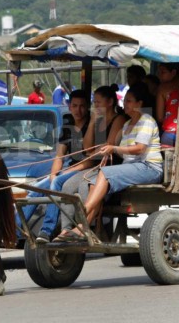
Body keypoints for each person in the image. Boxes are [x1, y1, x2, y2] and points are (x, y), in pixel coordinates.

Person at [62, 85, 163, 240]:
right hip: (131, 167)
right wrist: (107, 147)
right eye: (125, 100)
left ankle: (85, 211)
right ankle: (84, 228)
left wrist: (113, 148)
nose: (125, 104)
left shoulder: (146, 121)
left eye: (129, 101)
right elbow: (107, 145)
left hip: (148, 167)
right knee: (92, 182)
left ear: (139, 103)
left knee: (104, 173)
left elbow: (140, 149)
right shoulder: (126, 125)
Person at [54, 85, 127, 241]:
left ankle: (84, 227)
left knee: (83, 185)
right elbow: (88, 147)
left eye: (98, 102)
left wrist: (86, 160)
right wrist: (93, 121)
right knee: (67, 186)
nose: (95, 105)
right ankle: (66, 229)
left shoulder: (118, 119)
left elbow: (107, 147)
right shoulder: (98, 120)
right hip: (94, 164)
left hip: (109, 165)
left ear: (109, 102)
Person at [18, 90, 91, 243]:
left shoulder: (92, 126)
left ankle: (46, 231)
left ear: (88, 107)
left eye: (82, 106)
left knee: (57, 183)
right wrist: (53, 174)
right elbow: (59, 156)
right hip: (69, 168)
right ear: (69, 106)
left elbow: (92, 160)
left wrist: (61, 175)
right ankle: (16, 230)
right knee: (36, 189)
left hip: (85, 169)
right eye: (75, 106)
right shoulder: (67, 126)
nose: (78, 110)